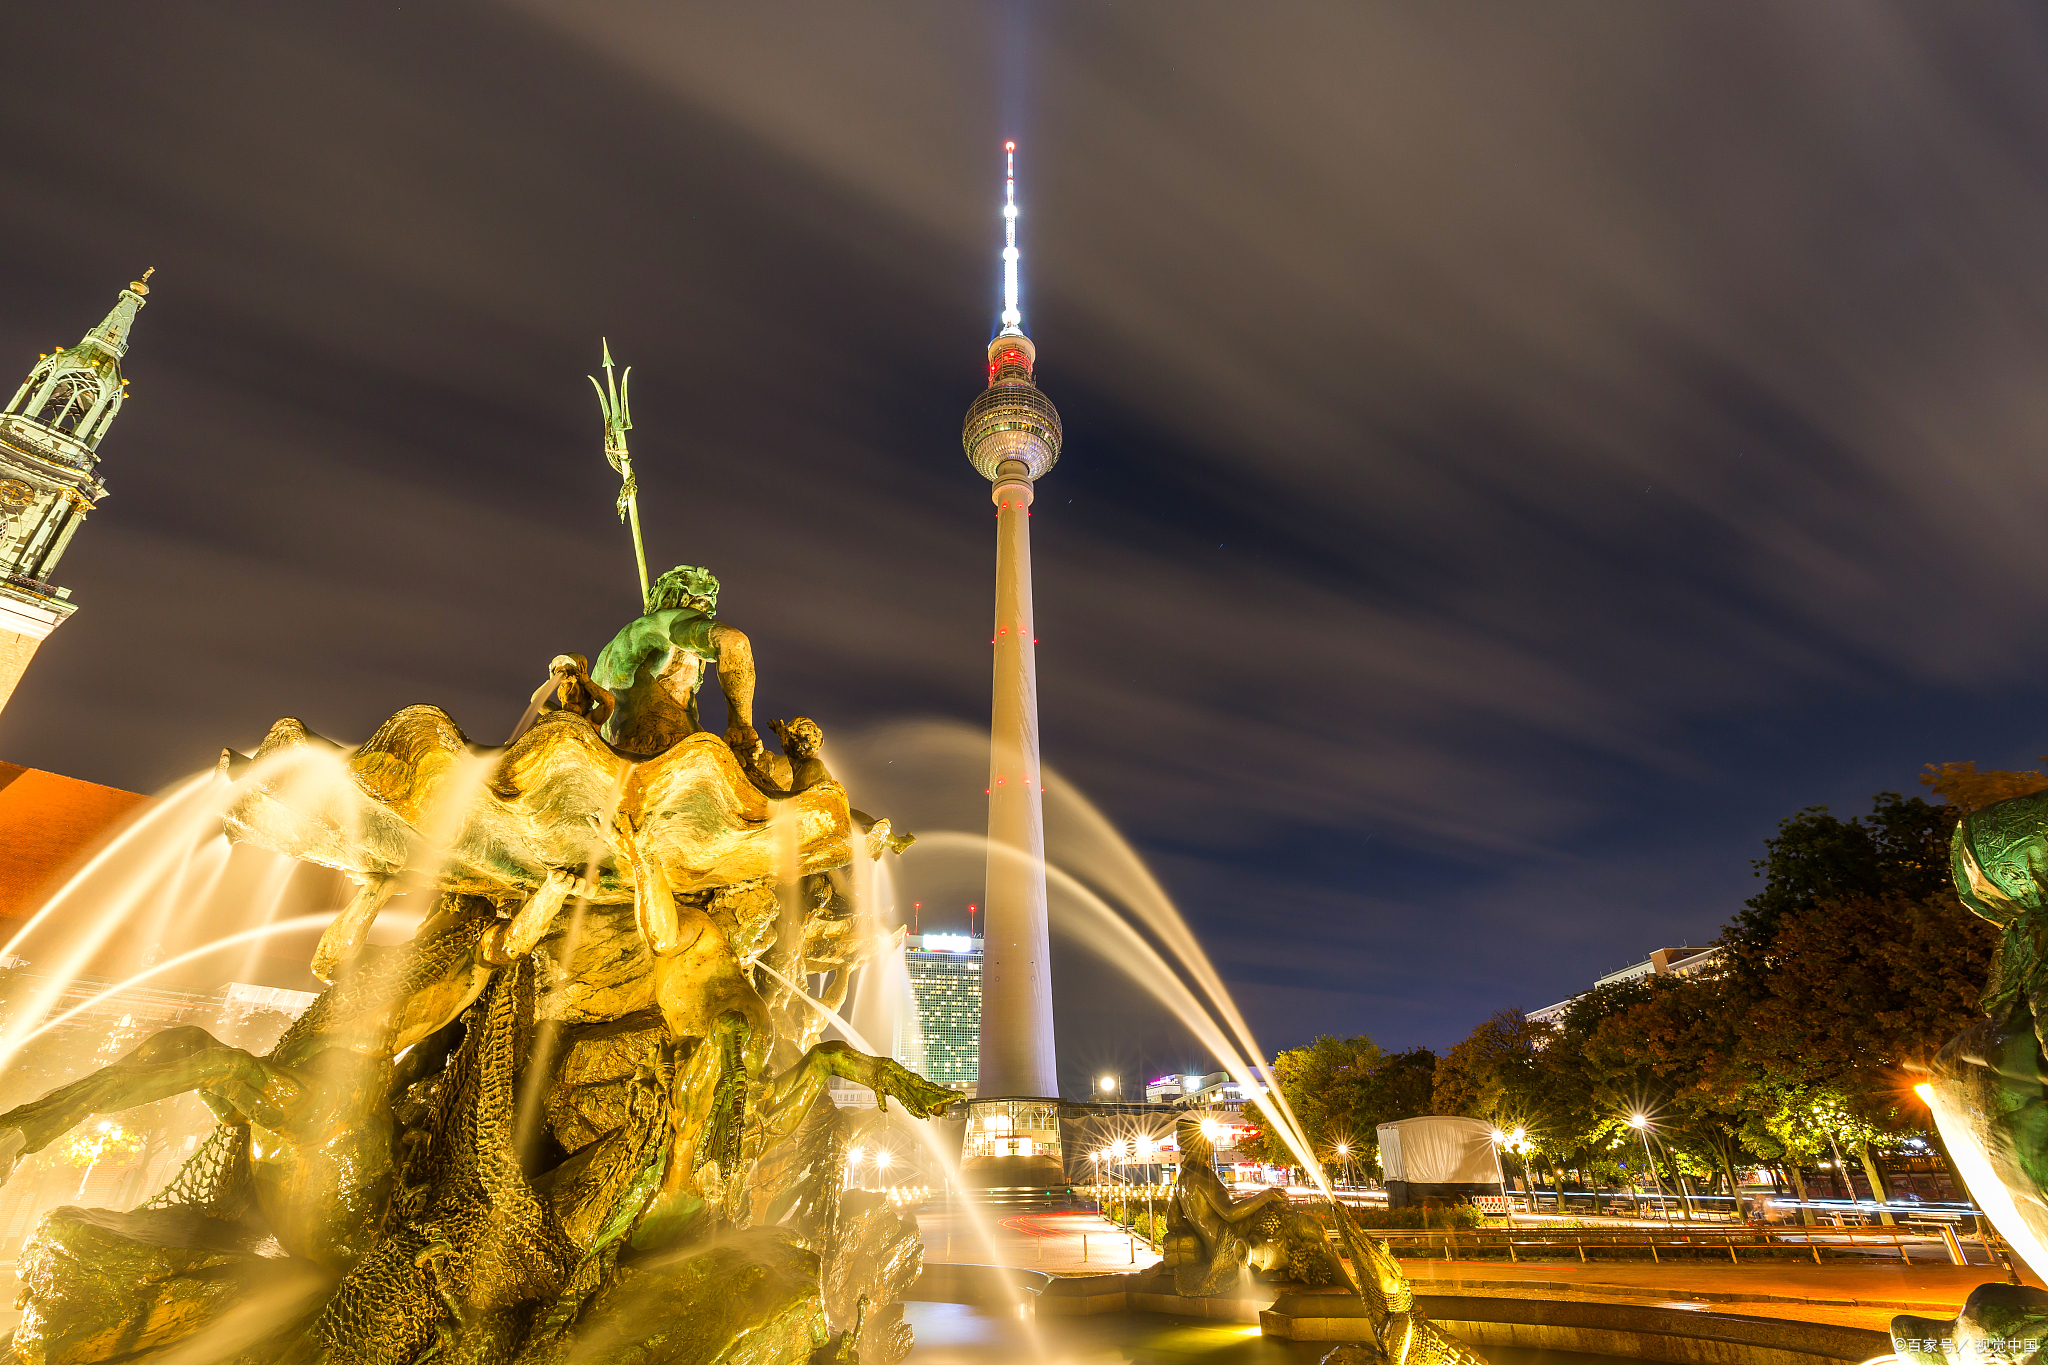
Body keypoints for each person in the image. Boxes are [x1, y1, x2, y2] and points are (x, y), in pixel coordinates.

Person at [592, 565, 760, 762]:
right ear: (680, 597)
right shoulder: (673, 622)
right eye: (704, 604)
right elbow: (733, 642)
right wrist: (741, 725)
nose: (710, 612)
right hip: (669, 743)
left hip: (620, 750)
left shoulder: (608, 653)